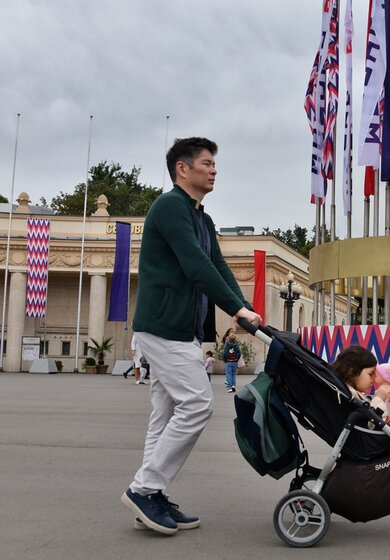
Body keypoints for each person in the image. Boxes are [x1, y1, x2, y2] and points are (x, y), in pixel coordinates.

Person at [121, 137, 262, 536]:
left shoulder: (202, 218)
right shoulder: (169, 207)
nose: (213, 168)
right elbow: (196, 266)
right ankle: (144, 489)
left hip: (181, 330)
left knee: (165, 414)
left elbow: (217, 265)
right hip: (163, 326)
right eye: (206, 162)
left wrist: (242, 305)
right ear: (183, 168)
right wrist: (236, 309)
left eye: (214, 162)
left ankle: (150, 496)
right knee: (198, 404)